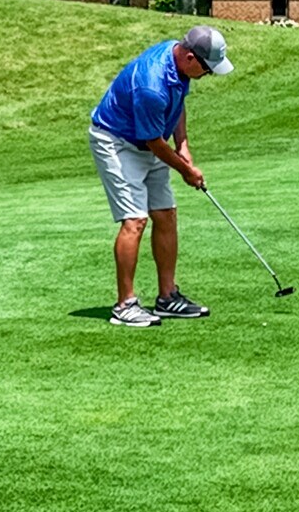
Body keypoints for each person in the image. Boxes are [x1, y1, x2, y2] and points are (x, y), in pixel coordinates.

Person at [88, 24, 233, 327]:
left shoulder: (177, 59)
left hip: (148, 140)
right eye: (206, 70)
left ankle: (167, 297)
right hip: (116, 141)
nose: (207, 76)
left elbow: (177, 105)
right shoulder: (151, 85)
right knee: (135, 220)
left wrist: (183, 146)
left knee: (166, 214)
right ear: (191, 58)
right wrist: (186, 171)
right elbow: (154, 141)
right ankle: (124, 305)